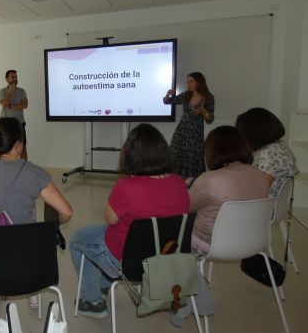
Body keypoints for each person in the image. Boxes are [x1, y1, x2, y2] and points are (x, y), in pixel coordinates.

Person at [70, 123, 189, 319]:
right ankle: (104, 286)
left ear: (130, 154)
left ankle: (92, 301)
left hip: (126, 262)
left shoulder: (126, 186)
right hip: (164, 258)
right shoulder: (179, 182)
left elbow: (111, 219)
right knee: (102, 232)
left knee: (77, 238)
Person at [0, 117, 73, 310]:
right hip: (30, 267)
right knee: (27, 233)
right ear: (19, 145)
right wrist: (56, 226)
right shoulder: (34, 173)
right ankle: (32, 291)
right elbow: (66, 211)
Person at [189, 126, 271, 254]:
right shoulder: (260, 175)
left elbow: (185, 207)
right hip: (253, 240)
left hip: (211, 244)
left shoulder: (209, 180)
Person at [236, 107, 299, 197]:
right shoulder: (280, 145)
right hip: (274, 206)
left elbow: (258, 192)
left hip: (263, 207)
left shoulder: (268, 155)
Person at [163, 72, 215, 178]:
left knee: (193, 160)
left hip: (195, 135)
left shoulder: (208, 98)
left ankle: (192, 187)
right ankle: (176, 184)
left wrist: (203, 110)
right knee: (175, 156)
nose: (188, 84)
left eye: (191, 81)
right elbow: (167, 101)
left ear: (199, 82)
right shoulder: (186, 95)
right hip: (181, 133)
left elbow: (210, 120)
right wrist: (167, 95)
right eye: (187, 81)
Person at [0, 69, 28, 160]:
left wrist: (11, 106)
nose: (15, 78)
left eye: (16, 77)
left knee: (22, 146)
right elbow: (4, 103)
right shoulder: (3, 91)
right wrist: (10, 93)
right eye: (12, 77)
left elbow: (25, 105)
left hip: (20, 123)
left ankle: (24, 167)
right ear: (7, 79)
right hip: (7, 124)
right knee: (5, 146)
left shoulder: (21, 91)